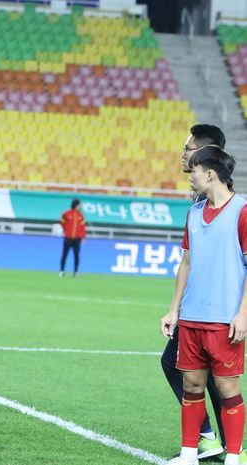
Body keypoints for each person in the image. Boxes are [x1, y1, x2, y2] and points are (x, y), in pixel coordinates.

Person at [161, 146, 247, 465]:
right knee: (192, 385)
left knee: (227, 388)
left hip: (224, 319)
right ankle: (188, 455)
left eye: (194, 170)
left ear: (210, 174)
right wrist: (174, 310)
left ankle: (234, 457)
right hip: (193, 317)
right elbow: (186, 262)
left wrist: (242, 314)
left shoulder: (242, 211)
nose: (191, 176)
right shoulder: (194, 212)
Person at [59, 198, 85, 278]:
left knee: (76, 256)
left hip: (77, 239)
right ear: (76, 205)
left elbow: (83, 227)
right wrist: (65, 229)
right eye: (79, 205)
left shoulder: (80, 216)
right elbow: (61, 222)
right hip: (68, 238)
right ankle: (62, 271)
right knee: (64, 255)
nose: (80, 206)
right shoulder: (67, 213)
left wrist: (83, 237)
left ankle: (76, 272)